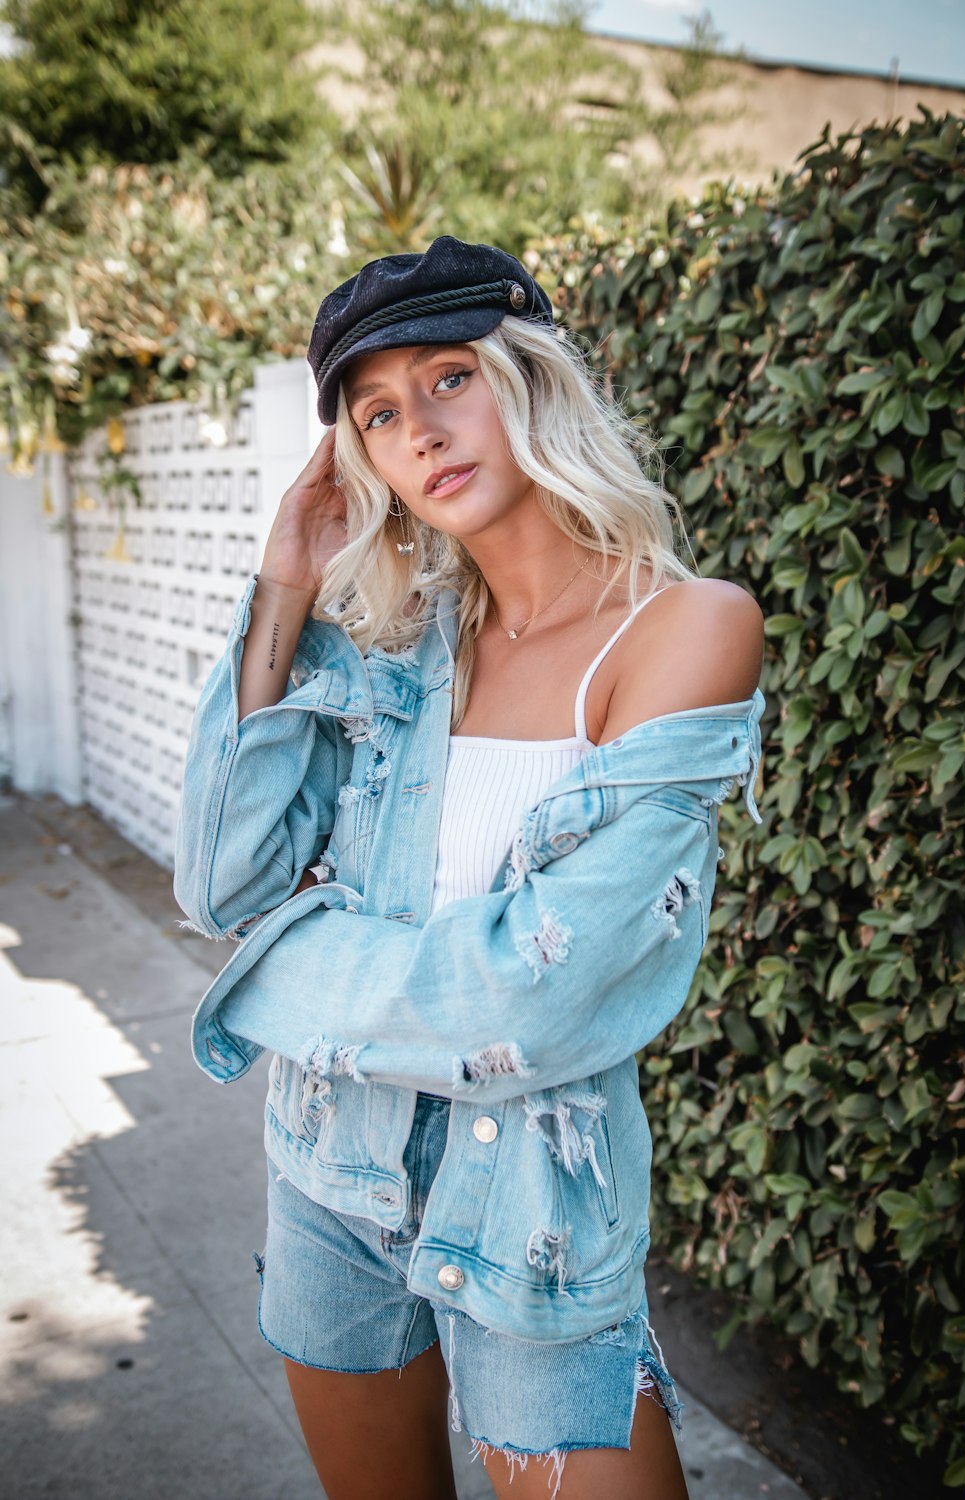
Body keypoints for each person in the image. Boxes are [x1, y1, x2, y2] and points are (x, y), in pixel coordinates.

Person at [174, 235, 765, 1500]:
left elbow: (527, 1002)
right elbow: (222, 882)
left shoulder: (686, 629)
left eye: (449, 378)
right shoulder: (386, 641)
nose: (421, 432)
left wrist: (275, 975)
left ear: (532, 380)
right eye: (379, 413)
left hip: (532, 1217)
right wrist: (284, 578)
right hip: (327, 1172)